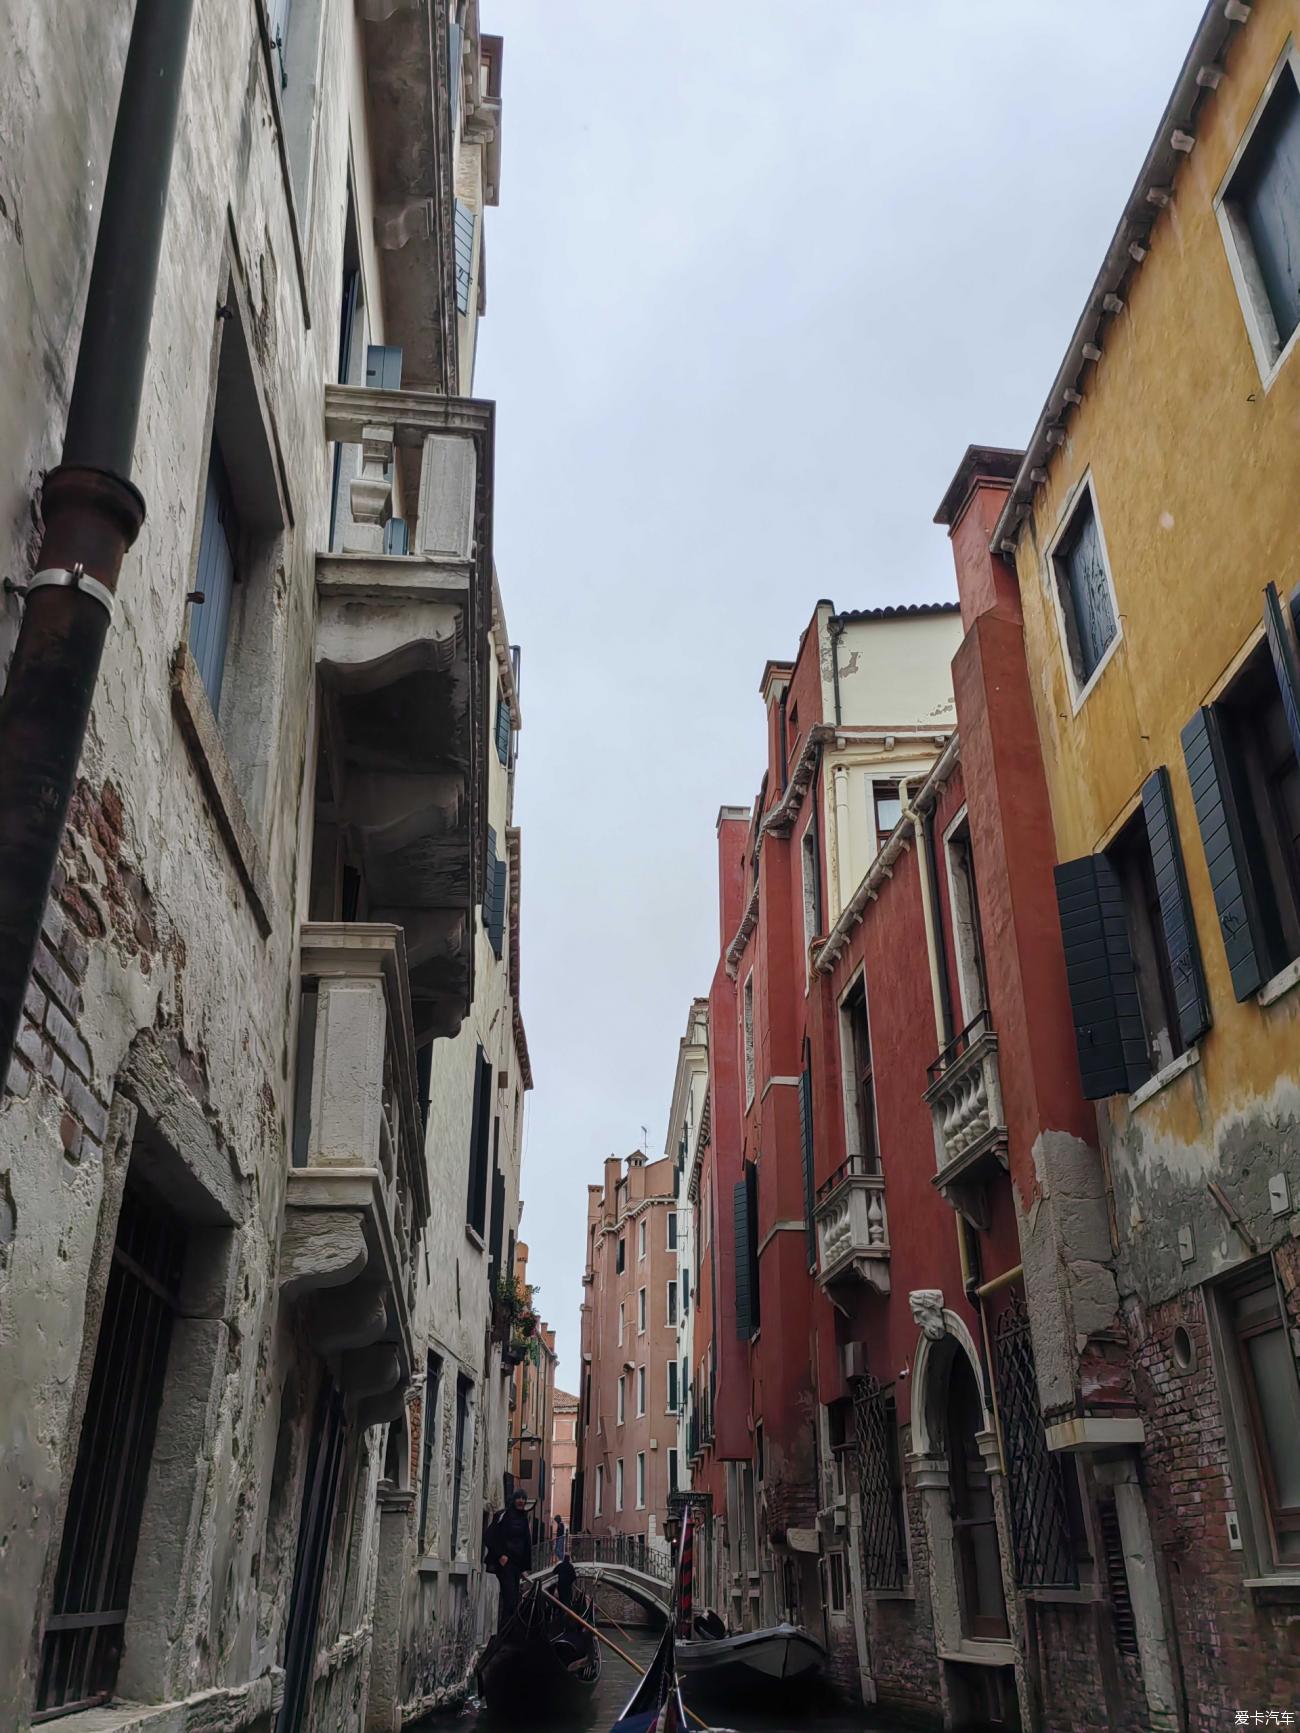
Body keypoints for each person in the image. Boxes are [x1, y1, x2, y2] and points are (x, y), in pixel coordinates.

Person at [484, 1489, 533, 1628]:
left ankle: (508, 1633)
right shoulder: (503, 1515)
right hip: (505, 1564)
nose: (522, 1501)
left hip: (517, 1566)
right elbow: (489, 1536)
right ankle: (504, 1635)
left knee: (514, 1601)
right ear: (514, 1500)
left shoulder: (524, 1518)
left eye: (524, 1498)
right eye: (519, 1498)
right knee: (509, 1600)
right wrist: (500, 1555)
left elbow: (525, 1543)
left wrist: (524, 1568)